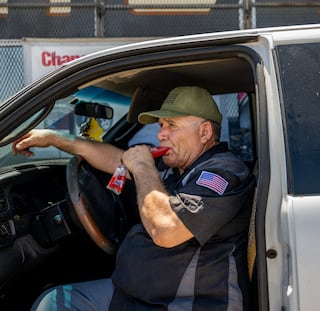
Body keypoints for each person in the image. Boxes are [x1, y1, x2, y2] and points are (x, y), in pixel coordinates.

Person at [13, 86, 255, 311]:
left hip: (182, 304)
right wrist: (55, 138)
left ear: (204, 132)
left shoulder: (221, 174)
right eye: (161, 125)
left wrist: (142, 168)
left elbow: (166, 230)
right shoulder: (178, 165)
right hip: (139, 296)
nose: (161, 134)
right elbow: (118, 160)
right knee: (56, 301)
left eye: (171, 125)